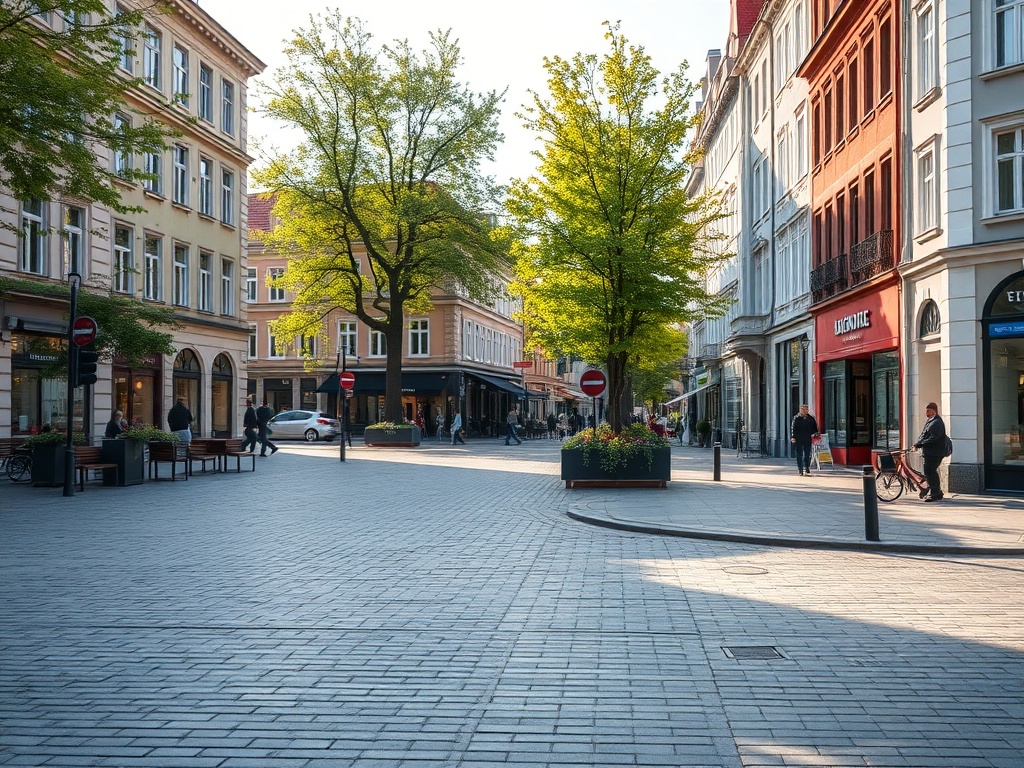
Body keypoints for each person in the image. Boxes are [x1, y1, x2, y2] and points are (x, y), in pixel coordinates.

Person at [912, 401, 947, 502]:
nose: (926, 412)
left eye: (928, 410)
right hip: (930, 452)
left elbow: (933, 438)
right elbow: (924, 435)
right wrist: (918, 444)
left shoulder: (937, 422)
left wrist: (920, 444)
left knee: (930, 472)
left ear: (934, 411)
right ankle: (937, 492)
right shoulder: (931, 421)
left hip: (934, 452)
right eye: (926, 410)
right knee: (929, 472)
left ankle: (935, 493)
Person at [790, 403, 818, 477]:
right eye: (802, 409)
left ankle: (807, 468)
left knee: (807, 454)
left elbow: (815, 428)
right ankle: (800, 470)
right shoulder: (797, 418)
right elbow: (793, 428)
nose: (804, 411)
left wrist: (815, 434)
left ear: (807, 410)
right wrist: (793, 437)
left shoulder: (811, 418)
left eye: (805, 409)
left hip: (807, 438)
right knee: (799, 455)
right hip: (798, 439)